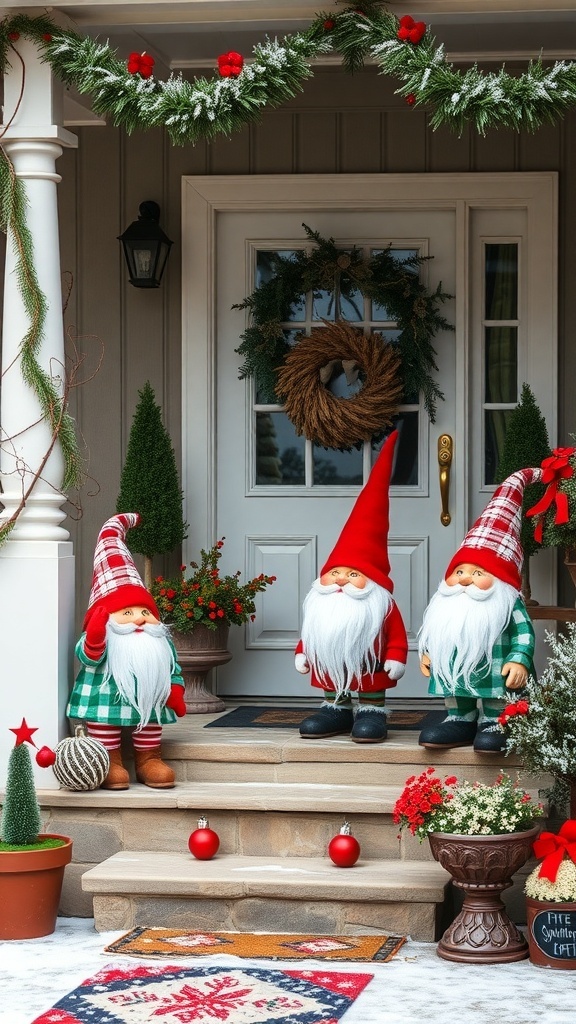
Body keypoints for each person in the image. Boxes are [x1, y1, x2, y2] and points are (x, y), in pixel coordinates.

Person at [418, 467, 542, 753]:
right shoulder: (447, 603)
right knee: (456, 686)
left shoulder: (508, 602)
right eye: (459, 570)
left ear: (500, 582)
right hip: (457, 670)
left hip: (495, 671)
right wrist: (427, 652)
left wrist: (520, 659)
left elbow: (523, 633)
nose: (463, 578)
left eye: (477, 572)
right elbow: (436, 632)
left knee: (498, 692)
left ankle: (494, 720)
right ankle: (460, 718)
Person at [295, 431, 408, 743]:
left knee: (371, 685)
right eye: (335, 572)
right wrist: (303, 651)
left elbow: (396, 635)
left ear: (372, 582)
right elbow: (310, 632)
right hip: (331, 664)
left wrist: (397, 656)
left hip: (372, 666)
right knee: (331, 671)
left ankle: (372, 711)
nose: (342, 579)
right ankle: (335, 707)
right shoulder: (322, 602)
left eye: (353, 574)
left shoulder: (381, 605)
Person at [66, 513, 186, 789]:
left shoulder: (158, 640)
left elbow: (173, 668)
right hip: (105, 701)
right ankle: (110, 762)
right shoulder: (106, 635)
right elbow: (86, 656)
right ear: (106, 617)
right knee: (104, 726)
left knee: (150, 721)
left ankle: (149, 761)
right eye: (128, 612)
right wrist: (95, 637)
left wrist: (176, 690)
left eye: (145, 611)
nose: (140, 618)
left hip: (147, 700)